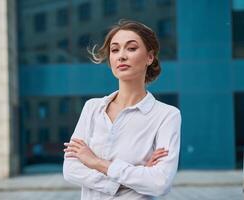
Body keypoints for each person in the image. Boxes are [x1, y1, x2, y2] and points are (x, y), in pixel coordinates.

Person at [63, 19, 182, 200]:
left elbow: (160, 183)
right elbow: (71, 168)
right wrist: (134, 177)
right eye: (115, 49)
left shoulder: (167, 115)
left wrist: (96, 162)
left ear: (149, 57)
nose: (121, 56)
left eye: (131, 48)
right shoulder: (92, 108)